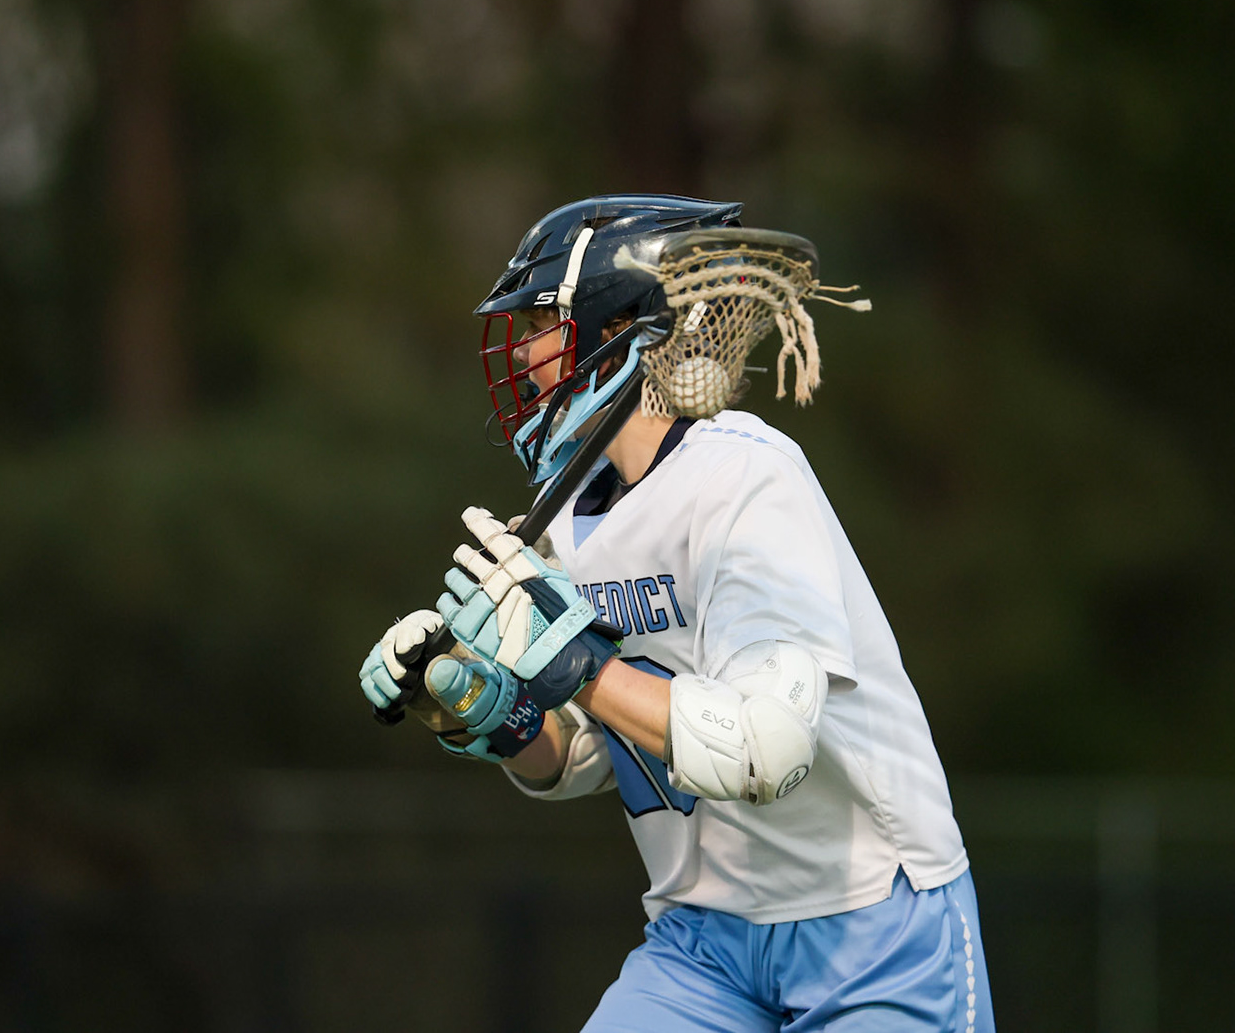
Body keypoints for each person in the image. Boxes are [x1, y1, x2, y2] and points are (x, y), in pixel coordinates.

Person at [359, 195, 994, 1032]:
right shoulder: (574, 515)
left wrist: (578, 664)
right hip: (703, 940)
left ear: (617, 329)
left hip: (868, 916)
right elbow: (592, 752)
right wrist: (487, 712)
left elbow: (765, 749)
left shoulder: (746, 476)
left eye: (542, 321)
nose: (522, 350)